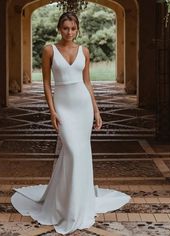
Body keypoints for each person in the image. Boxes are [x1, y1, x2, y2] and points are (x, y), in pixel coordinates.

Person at [11, 11, 131, 235]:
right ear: (59, 28)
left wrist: (96, 110)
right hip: (63, 106)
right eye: (65, 28)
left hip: (83, 106)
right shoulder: (49, 50)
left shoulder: (84, 51)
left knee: (79, 155)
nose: (69, 32)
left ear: (77, 30)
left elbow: (87, 82)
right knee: (73, 152)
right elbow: (46, 83)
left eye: (73, 28)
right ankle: (63, 204)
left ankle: (76, 203)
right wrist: (52, 111)